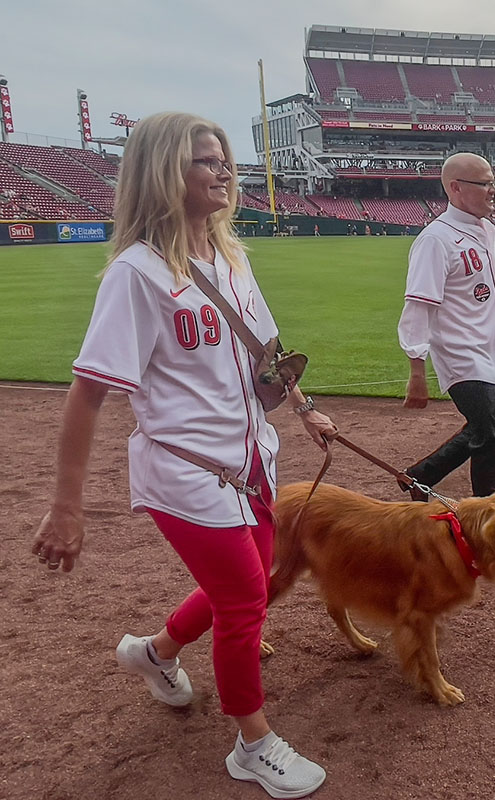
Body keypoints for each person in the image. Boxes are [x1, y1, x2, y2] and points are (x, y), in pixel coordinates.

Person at [29, 112, 336, 799]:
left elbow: (267, 353)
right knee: (245, 603)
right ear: (166, 173)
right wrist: (65, 506)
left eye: (224, 159)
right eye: (205, 161)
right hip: (188, 470)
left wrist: (307, 408)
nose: (223, 171)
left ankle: (156, 653)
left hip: (251, 455)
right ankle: (252, 744)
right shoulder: (135, 275)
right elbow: (87, 396)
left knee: (255, 573)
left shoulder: (232, 257)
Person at [398, 151, 495, 499]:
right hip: (461, 356)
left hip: (494, 353)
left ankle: (419, 477)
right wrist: (416, 370)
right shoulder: (435, 240)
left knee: (483, 430)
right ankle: (491, 513)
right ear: (456, 188)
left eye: (494, 182)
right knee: (491, 438)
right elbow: (418, 306)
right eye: (485, 184)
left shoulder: (488, 230)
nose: (493, 190)